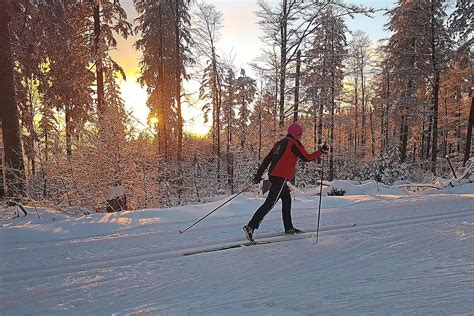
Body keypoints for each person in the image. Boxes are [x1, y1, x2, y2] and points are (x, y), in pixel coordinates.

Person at [243, 123, 328, 242]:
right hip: (280, 177)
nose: (300, 137)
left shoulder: (279, 143)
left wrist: (259, 174)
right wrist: (321, 151)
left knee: (287, 200)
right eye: (299, 134)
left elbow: (268, 159)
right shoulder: (293, 143)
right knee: (270, 203)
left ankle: (289, 228)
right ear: (294, 134)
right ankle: (250, 226)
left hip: (274, 176)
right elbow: (306, 157)